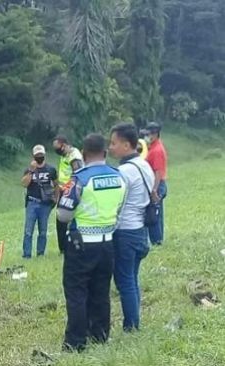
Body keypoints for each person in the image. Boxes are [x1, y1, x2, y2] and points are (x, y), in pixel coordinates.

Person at [57, 133, 126, 352]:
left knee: (77, 291)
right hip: (107, 244)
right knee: (101, 291)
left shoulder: (79, 179)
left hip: (81, 244)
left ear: (84, 155)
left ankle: (76, 341)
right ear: (105, 153)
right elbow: (119, 210)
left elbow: (63, 215)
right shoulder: (119, 177)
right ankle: (100, 334)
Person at [109, 123, 155, 331]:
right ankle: (134, 322)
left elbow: (116, 203)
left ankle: (131, 326)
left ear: (126, 145)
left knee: (124, 280)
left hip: (125, 232)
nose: (111, 148)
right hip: (140, 230)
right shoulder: (144, 165)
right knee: (132, 278)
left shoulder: (125, 171)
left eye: (114, 143)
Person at [20, 145, 59, 258]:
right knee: (28, 231)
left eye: (41, 155)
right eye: (37, 155)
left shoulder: (51, 170)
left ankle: (40, 253)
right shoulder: (29, 170)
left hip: (45, 204)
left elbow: (56, 185)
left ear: (44, 155)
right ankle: (27, 254)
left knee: (43, 231)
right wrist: (31, 171)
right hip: (32, 202)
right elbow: (24, 184)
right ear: (33, 156)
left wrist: (56, 198)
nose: (39, 157)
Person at [52, 135, 84, 254]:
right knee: (60, 221)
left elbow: (78, 173)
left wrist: (68, 188)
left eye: (57, 147)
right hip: (63, 190)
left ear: (64, 145)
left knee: (66, 219)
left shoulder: (74, 156)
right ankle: (63, 248)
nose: (56, 150)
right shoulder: (65, 155)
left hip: (70, 192)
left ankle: (68, 247)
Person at [144, 122, 167, 245]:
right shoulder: (152, 147)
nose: (147, 136)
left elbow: (158, 171)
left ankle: (156, 240)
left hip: (157, 183)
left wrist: (154, 190)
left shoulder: (157, 150)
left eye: (148, 134)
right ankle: (157, 239)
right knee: (156, 211)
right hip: (156, 183)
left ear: (155, 134)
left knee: (154, 213)